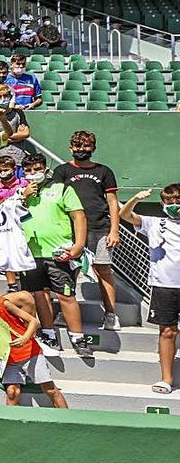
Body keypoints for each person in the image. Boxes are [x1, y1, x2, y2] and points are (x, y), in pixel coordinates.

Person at [18, 154, 91, 357]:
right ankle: (49, 334)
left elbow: (79, 216)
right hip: (30, 254)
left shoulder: (62, 188)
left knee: (66, 295)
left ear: (45, 169)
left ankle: (78, 337)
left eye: (37, 169)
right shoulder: (20, 192)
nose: (33, 174)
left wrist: (79, 245)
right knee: (39, 295)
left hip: (59, 252)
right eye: (29, 170)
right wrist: (23, 196)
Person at [0, 269, 69, 408]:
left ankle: (66, 418)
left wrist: (25, 338)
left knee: (49, 388)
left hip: (29, 352)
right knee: (12, 391)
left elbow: (34, 321)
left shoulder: (2, 302)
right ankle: (10, 424)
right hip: (9, 357)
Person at [51, 131, 121, 331]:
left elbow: (112, 202)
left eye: (86, 146)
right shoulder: (62, 171)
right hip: (69, 231)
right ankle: (66, 314)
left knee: (103, 269)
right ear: (70, 148)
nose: (82, 150)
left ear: (94, 148)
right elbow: (55, 199)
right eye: (78, 146)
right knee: (67, 271)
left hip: (100, 229)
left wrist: (114, 230)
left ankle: (110, 314)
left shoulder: (104, 171)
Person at [120, 185, 180, 394]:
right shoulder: (154, 222)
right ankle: (166, 379)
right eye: (169, 201)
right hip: (165, 285)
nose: (174, 205)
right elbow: (124, 215)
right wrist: (135, 198)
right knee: (167, 331)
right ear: (163, 204)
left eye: (177, 200)